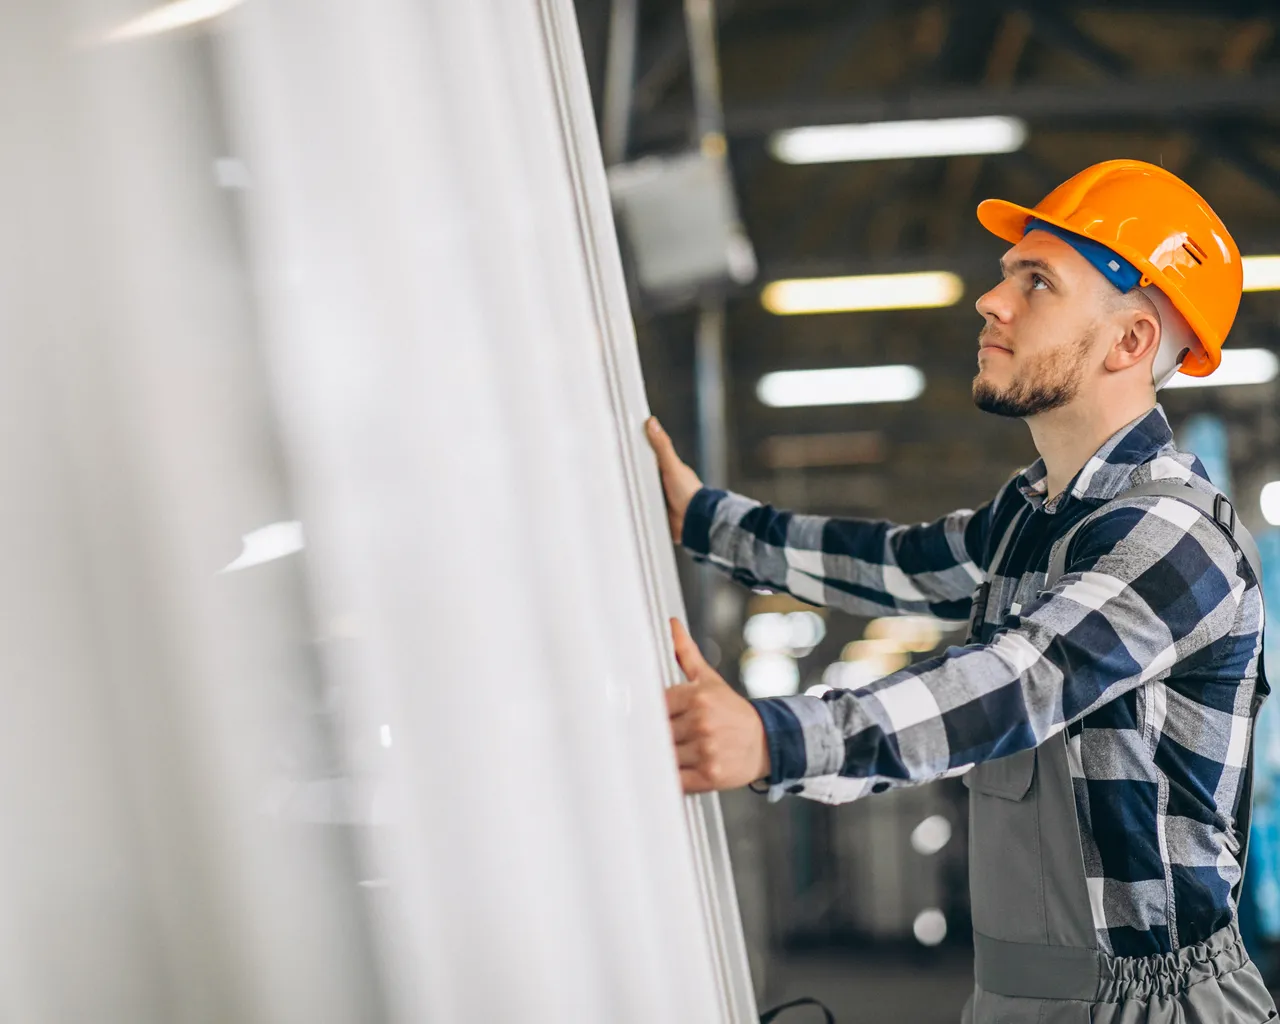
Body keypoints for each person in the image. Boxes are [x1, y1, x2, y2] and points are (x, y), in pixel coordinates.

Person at [646, 160, 1275, 1023]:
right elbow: (899, 564)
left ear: (1129, 342)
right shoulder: (1032, 515)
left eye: (1037, 282)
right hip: (1015, 997)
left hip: (1154, 1010)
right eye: (1007, 274)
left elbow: (1018, 681)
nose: (992, 299)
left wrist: (777, 738)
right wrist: (706, 522)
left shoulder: (1174, 538)